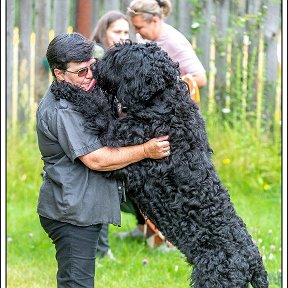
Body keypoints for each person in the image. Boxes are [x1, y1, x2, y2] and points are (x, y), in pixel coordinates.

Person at [36, 32, 170, 288]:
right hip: (71, 214)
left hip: (82, 207)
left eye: (91, 67)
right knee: (77, 284)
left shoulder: (80, 92)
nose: (90, 77)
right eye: (81, 72)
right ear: (59, 74)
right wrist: (146, 150)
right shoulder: (62, 110)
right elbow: (97, 159)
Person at [117, 0, 207, 240]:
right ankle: (147, 230)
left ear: (155, 20)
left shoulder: (172, 41)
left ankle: (165, 235)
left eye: (140, 27)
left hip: (173, 122)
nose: (137, 33)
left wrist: (165, 82)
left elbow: (201, 77)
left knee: (168, 182)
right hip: (153, 119)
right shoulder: (149, 40)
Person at [89, 11, 131, 260]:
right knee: (103, 187)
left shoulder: (121, 58)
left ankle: (103, 248)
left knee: (111, 189)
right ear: (103, 32)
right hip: (97, 132)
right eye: (117, 31)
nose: (123, 37)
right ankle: (102, 250)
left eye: (126, 32)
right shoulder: (95, 56)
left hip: (114, 130)